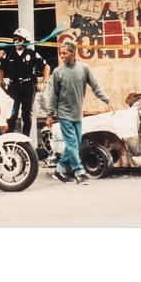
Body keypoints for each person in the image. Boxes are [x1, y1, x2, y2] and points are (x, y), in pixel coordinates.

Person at [46, 41, 114, 185]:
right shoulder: (58, 72)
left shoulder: (84, 68)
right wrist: (50, 114)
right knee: (72, 144)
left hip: (77, 114)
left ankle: (59, 170)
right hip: (64, 114)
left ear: (73, 53)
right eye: (61, 53)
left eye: (64, 53)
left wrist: (107, 100)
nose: (61, 55)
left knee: (74, 145)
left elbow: (96, 87)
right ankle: (79, 173)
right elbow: (53, 95)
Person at [0, 27, 45, 137]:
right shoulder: (9, 54)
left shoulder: (31, 54)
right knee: (12, 114)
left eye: (19, 39)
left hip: (28, 87)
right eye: (15, 39)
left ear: (25, 40)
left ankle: (25, 139)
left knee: (26, 115)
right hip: (13, 87)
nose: (16, 41)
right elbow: (0, 68)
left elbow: (46, 67)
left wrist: (43, 83)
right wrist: (1, 82)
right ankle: (8, 138)